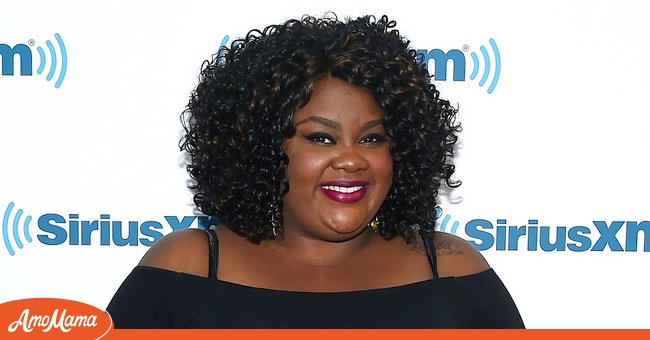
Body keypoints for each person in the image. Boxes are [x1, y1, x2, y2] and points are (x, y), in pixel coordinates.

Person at [107, 14, 525, 328]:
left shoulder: (451, 267)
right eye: (320, 138)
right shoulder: (190, 265)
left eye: (372, 138)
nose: (351, 159)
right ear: (265, 148)